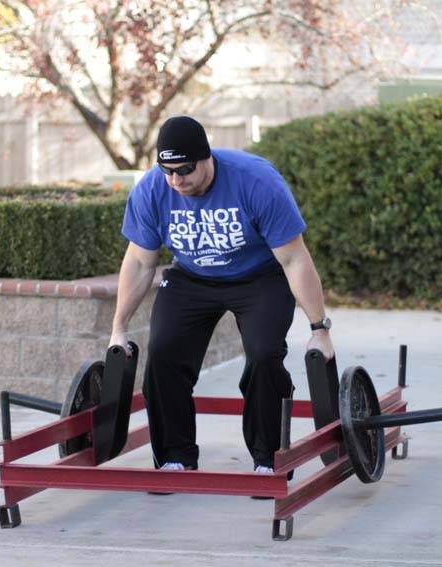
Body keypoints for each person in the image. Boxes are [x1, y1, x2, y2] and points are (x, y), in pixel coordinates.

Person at [108, 115, 334, 474]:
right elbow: (138, 261)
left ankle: (269, 459)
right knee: (164, 354)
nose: (176, 180)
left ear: (205, 156)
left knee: (263, 355)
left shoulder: (256, 181)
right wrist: (118, 328)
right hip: (192, 277)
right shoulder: (153, 190)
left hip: (259, 277)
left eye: (184, 169)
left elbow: (293, 258)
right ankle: (174, 457)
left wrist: (319, 329)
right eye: (167, 170)